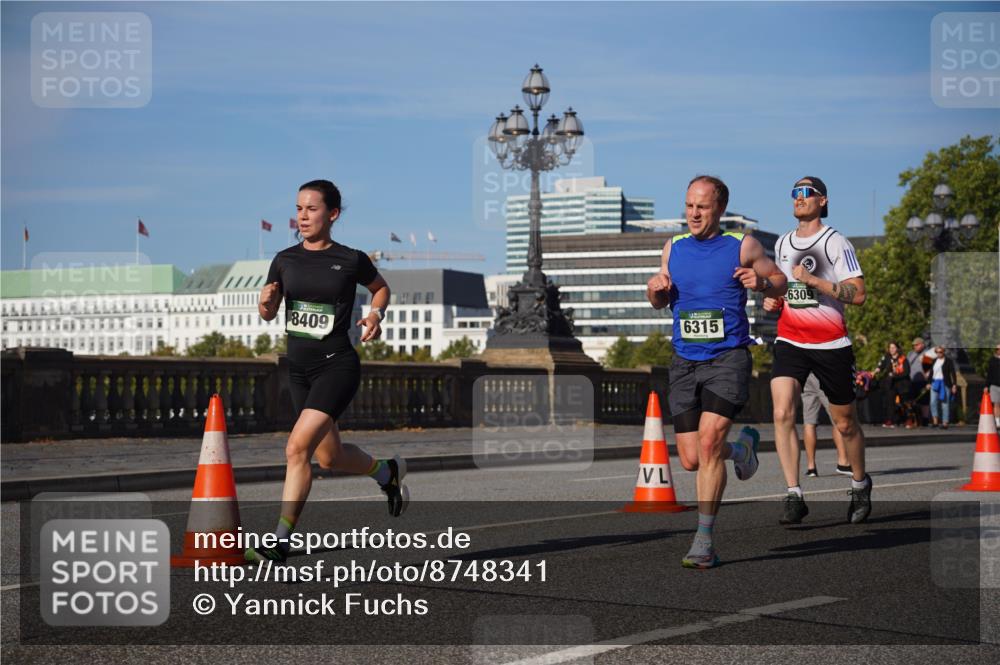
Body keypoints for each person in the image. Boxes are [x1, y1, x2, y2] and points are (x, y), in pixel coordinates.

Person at [245, 179, 409, 563]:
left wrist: (375, 313)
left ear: (332, 214)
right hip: (298, 369)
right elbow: (269, 312)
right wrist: (265, 303)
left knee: (295, 448)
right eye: (299, 208)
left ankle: (280, 541)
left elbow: (381, 288)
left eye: (311, 209)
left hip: (337, 365)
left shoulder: (351, 258)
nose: (303, 216)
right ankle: (386, 473)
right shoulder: (284, 259)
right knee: (329, 458)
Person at [647, 175, 787, 569]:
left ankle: (703, 540)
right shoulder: (672, 248)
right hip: (684, 361)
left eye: (702, 207)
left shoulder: (742, 246)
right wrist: (655, 288)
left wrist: (761, 282)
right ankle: (741, 450)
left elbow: (781, 283)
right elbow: (659, 300)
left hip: (728, 357)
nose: (693, 213)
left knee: (708, 444)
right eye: (689, 205)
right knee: (691, 459)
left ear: (719, 209)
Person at [765, 176, 871, 526]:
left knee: (845, 423)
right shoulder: (782, 243)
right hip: (790, 340)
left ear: (822, 201)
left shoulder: (835, 242)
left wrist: (814, 282)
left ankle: (859, 483)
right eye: (794, 193)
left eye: (806, 193)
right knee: (782, 413)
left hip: (830, 343)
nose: (799, 198)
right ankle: (794, 494)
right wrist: (773, 300)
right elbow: (782, 289)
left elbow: (857, 294)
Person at [801, 372, 851, 477]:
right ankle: (843, 462)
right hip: (823, 373)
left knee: (809, 421)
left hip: (805, 375)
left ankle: (811, 467)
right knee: (837, 419)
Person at [874, 341, 910, 428]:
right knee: (890, 402)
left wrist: (895, 375)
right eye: (890, 348)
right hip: (891, 383)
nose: (891, 349)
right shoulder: (886, 357)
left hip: (902, 384)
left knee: (904, 402)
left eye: (893, 347)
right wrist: (876, 370)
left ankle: (908, 420)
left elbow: (906, 372)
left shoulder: (903, 359)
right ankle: (890, 420)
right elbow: (880, 366)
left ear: (897, 348)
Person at [929, 345, 958, 428]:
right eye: (937, 352)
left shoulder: (948, 361)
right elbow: (931, 373)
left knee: (945, 403)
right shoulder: (934, 361)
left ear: (943, 352)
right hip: (934, 383)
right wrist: (928, 383)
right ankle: (935, 421)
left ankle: (945, 422)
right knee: (933, 402)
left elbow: (953, 373)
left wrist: (954, 385)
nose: (939, 354)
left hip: (945, 383)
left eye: (940, 352)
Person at [907, 337, 931, 426]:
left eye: (917, 345)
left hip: (923, 381)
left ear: (922, 344)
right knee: (913, 401)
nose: (915, 347)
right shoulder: (910, 354)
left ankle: (925, 419)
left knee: (924, 401)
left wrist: (929, 381)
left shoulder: (927, 354)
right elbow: (907, 364)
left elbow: (929, 369)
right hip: (912, 380)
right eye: (914, 345)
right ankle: (914, 419)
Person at [988, 344, 1000, 429]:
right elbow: (989, 373)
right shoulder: (992, 360)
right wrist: (986, 385)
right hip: (994, 385)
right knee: (996, 404)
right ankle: (998, 422)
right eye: (997, 349)